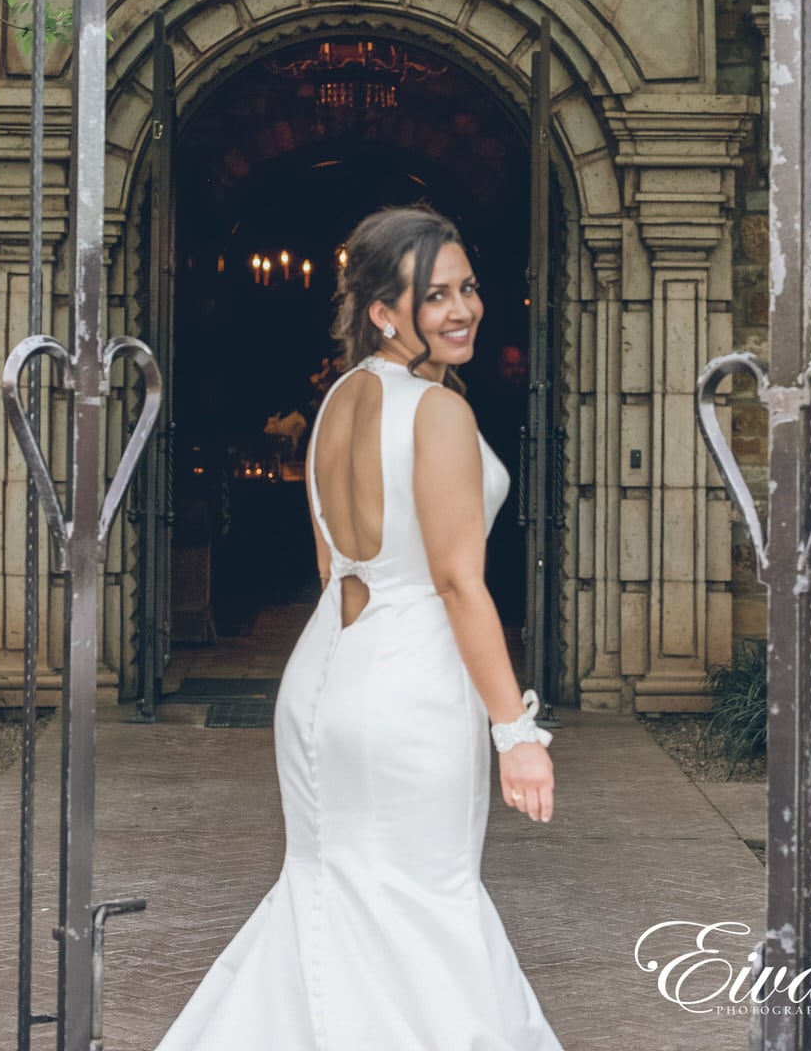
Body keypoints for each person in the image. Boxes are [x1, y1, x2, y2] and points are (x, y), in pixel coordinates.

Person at [154, 204, 562, 1050]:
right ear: (383, 310)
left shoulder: (340, 397)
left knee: (329, 899)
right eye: (436, 295)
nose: (463, 309)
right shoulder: (437, 412)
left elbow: (329, 566)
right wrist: (516, 732)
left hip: (323, 680)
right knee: (428, 905)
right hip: (408, 687)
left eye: (469, 288)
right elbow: (456, 581)